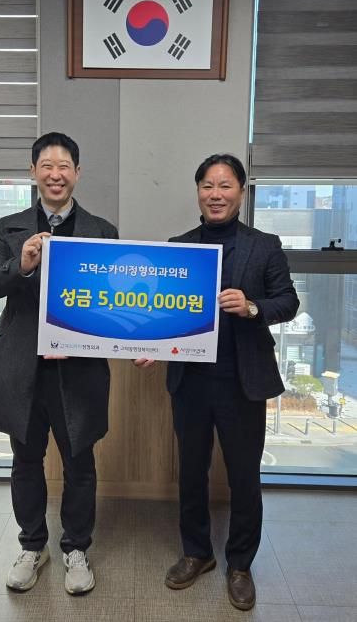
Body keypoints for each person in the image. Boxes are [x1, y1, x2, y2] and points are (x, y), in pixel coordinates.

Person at [135, 153, 299, 611]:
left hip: (242, 380)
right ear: (198, 192)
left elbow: (288, 301)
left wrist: (251, 307)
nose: (216, 194)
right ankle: (197, 553)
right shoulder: (180, 248)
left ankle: (240, 565)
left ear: (241, 192)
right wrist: (151, 346)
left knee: (244, 476)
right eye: (207, 185)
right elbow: (164, 314)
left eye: (225, 185)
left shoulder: (264, 246)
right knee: (191, 471)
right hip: (190, 381)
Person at [0, 132, 118, 594]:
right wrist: (21, 264)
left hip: (78, 369)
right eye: (47, 166)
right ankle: (32, 546)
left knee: (80, 464)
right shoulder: (10, 227)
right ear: (33, 172)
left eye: (64, 166)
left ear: (77, 173)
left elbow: (113, 305)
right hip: (24, 368)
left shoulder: (102, 231)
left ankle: (76, 548)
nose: (56, 174)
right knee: (25, 460)